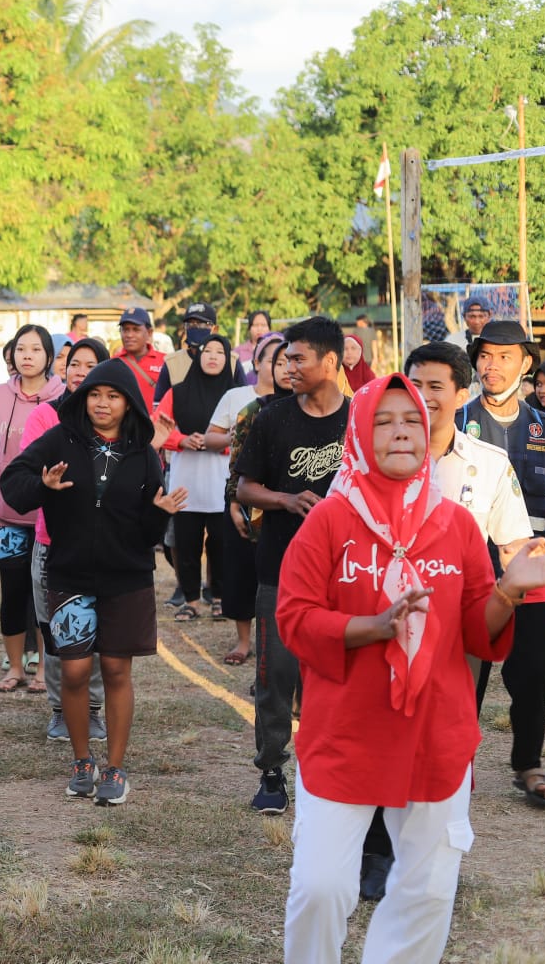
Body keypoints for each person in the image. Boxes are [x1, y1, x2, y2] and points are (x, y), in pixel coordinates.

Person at [275, 374, 545, 964]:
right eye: (384, 419)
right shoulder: (328, 521)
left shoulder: (454, 523)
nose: (401, 430)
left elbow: (478, 632)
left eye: (411, 420)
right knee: (322, 886)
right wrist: (372, 628)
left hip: (435, 732)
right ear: (359, 431)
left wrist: (507, 591)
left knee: (428, 890)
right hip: (345, 732)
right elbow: (295, 619)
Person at [2, 359, 186, 806]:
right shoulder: (60, 440)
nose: (102, 403)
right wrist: (43, 487)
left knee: (117, 669)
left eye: (113, 396)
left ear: (128, 404)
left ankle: (116, 768)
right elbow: (13, 484)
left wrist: (159, 515)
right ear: (83, 400)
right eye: (94, 394)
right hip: (70, 573)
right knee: (75, 668)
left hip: (127, 578)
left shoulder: (144, 454)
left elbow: (145, 534)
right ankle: (82, 761)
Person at [235, 317, 349, 814]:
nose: (290, 366)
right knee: (275, 673)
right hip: (280, 565)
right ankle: (272, 770)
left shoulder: (361, 420)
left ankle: (335, 770)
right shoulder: (272, 418)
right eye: (286, 358)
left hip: (346, 571)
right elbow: (244, 487)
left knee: (339, 675)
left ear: (330, 361)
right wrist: (284, 498)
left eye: (299, 358)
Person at [456, 321, 545, 809]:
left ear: (526, 364)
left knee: (536, 672)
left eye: (503, 356)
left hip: (530, 571)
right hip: (471, 576)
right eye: (484, 356)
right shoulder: (455, 421)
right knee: (465, 677)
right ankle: (455, 766)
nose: (490, 365)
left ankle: (528, 764)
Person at [25, 337, 110, 738]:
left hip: (103, 541)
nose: (80, 371)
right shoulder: (45, 416)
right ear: (64, 369)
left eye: (91, 365)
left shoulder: (114, 419)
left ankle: (92, 709)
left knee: (96, 629)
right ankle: (60, 707)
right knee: (57, 629)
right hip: (52, 541)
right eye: (75, 364)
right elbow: (28, 472)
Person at [0, 326, 57, 692]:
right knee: (12, 590)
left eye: (35, 349)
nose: (27, 355)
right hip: (4, 512)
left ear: (48, 356)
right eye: (21, 348)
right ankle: (15, 669)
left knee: (43, 594)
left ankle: (42, 673)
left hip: (46, 516)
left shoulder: (62, 397)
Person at [205, 332, 286, 665]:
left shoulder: (307, 406)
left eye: (290, 360)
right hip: (245, 499)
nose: (284, 368)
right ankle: (243, 641)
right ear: (258, 364)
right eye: (276, 361)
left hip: (284, 507)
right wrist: (235, 503)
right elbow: (236, 460)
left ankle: (279, 644)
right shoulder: (251, 408)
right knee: (240, 570)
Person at [155, 334, 240, 622]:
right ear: (198, 357)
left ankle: (218, 597)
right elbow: (157, 428)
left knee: (220, 541)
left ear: (228, 359)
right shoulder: (177, 391)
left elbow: (247, 432)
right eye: (207, 351)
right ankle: (190, 599)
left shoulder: (236, 395)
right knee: (186, 540)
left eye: (220, 352)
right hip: (186, 476)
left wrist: (219, 443)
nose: (213, 356)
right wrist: (181, 440)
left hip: (220, 477)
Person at [111, 308, 164, 412]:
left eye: (136, 330)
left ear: (149, 332)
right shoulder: (112, 364)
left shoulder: (166, 362)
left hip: (155, 426)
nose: (129, 335)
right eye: (125, 330)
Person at [234, 311, 273, 383]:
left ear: (269, 328)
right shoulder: (237, 352)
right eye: (255, 325)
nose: (259, 329)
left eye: (263, 325)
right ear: (249, 328)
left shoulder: (275, 350)